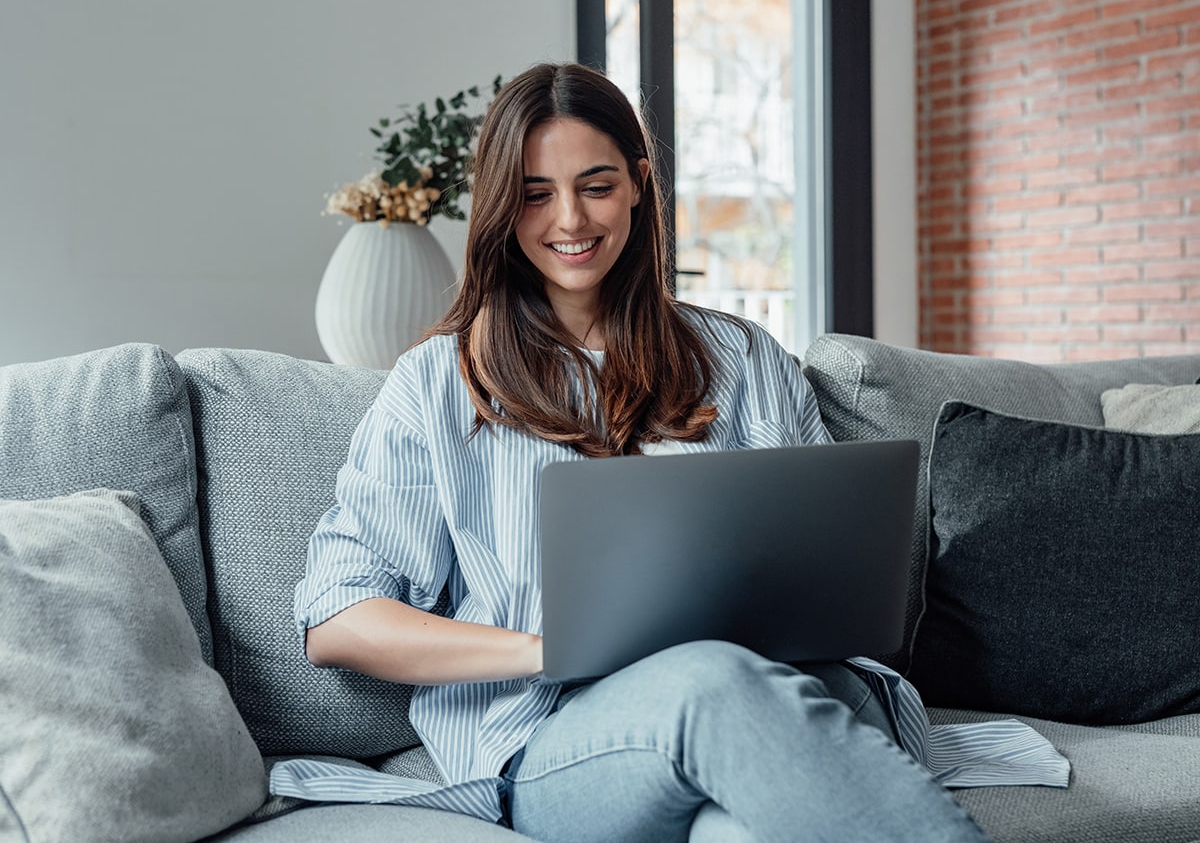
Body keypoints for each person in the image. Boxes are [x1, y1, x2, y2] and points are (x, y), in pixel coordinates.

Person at [274, 62, 1008, 842]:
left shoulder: (744, 357)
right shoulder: (438, 384)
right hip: (562, 737)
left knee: (733, 828)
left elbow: (831, 571)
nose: (569, 219)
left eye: (595, 185)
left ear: (637, 183)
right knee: (710, 679)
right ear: (499, 207)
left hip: (792, 693)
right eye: (533, 193)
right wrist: (547, 648)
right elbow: (340, 620)